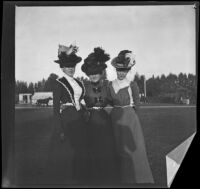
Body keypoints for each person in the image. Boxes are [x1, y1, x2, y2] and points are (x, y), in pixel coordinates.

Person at [108, 50, 154, 184]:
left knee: (133, 151)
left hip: (130, 119)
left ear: (128, 70)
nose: (121, 73)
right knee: (118, 149)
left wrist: (136, 123)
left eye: (124, 70)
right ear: (115, 70)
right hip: (115, 118)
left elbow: (137, 105)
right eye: (119, 70)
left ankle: (138, 179)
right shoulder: (110, 84)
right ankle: (120, 179)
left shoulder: (132, 85)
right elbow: (108, 101)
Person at [46, 43, 88, 184]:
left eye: (72, 66)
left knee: (81, 150)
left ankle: (80, 177)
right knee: (68, 152)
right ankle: (67, 179)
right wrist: (60, 129)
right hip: (67, 121)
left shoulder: (79, 82)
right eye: (67, 66)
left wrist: (84, 110)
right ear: (62, 67)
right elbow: (56, 109)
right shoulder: (59, 83)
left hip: (80, 118)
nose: (70, 68)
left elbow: (81, 100)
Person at [81, 47, 120, 184]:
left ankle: (108, 178)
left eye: (96, 73)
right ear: (87, 74)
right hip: (90, 122)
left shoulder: (107, 86)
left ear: (101, 72)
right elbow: (76, 102)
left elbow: (115, 102)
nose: (93, 76)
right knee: (92, 151)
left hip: (105, 122)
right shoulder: (83, 86)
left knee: (106, 151)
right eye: (90, 74)